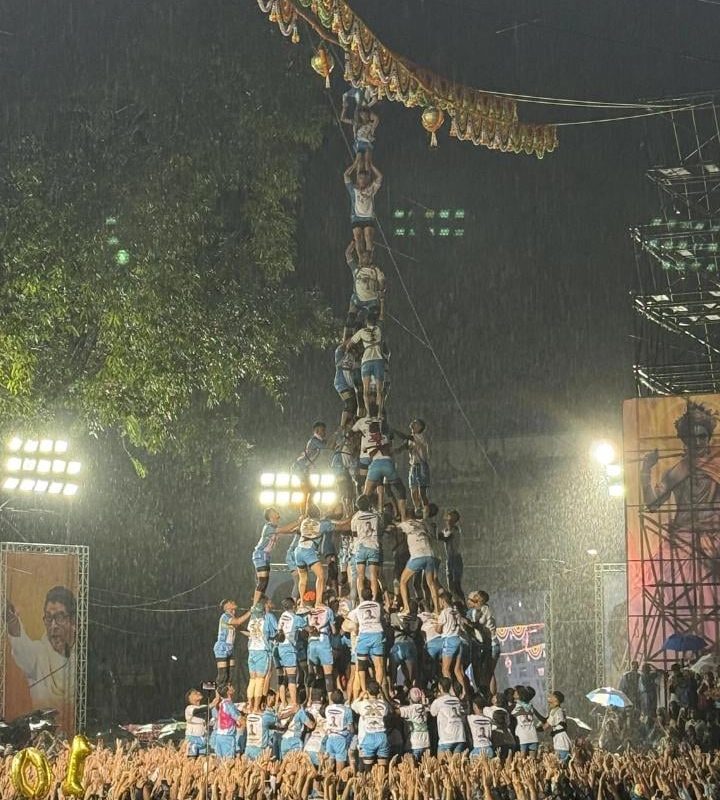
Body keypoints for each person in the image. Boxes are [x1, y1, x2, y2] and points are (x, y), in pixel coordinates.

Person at [6, 586, 77, 712]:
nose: (53, 626)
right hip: (43, 730)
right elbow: (22, 646)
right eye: (49, 618)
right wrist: (13, 623)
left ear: (73, 621)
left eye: (60, 618)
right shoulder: (37, 655)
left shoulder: (84, 660)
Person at [295, 515, 350, 606]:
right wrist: (353, 519)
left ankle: (301, 603)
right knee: (321, 576)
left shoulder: (304, 521)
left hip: (298, 550)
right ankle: (318, 602)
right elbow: (343, 525)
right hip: (308, 550)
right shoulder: (322, 524)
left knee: (302, 578)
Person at [252, 509, 300, 605]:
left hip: (265, 556)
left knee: (264, 582)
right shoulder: (268, 527)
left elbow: (288, 531)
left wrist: (298, 528)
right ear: (271, 516)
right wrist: (298, 521)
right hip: (260, 554)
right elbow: (285, 529)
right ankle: (254, 605)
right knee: (262, 581)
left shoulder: (274, 528)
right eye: (275, 511)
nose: (278, 512)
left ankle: (259, 603)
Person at [398, 508, 441, 614]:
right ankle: (437, 609)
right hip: (430, 555)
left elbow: (396, 526)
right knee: (431, 583)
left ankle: (407, 608)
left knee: (403, 581)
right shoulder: (422, 523)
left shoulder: (406, 523)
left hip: (418, 556)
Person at [345, 586, 386, 693]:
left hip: (364, 636)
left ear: (361, 597)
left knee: (362, 666)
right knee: (379, 665)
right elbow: (382, 618)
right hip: (377, 634)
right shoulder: (378, 605)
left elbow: (349, 622)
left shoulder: (358, 609)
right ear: (372, 595)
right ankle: (377, 689)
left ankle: (364, 690)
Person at [241, 597, 278, 711]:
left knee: (252, 679)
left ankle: (250, 705)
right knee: (261, 679)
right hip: (263, 651)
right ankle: (257, 707)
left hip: (252, 651)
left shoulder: (252, 620)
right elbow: (274, 633)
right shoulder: (266, 619)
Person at [344, 240, 386, 338]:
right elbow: (347, 254)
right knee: (350, 319)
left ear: (370, 258)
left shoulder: (375, 270)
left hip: (372, 301)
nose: (365, 259)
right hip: (358, 300)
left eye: (367, 257)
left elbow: (382, 281)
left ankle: (370, 339)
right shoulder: (356, 269)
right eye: (363, 257)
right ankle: (345, 340)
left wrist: (381, 290)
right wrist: (353, 243)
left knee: (371, 322)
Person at [344, 154, 383, 254]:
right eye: (360, 178)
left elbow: (380, 177)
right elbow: (346, 175)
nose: (362, 180)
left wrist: (371, 166)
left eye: (364, 178)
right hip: (356, 217)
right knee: (358, 237)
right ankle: (361, 259)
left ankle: (369, 259)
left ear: (367, 180)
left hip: (368, 217)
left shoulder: (371, 189)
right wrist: (355, 164)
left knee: (368, 236)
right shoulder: (353, 189)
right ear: (358, 180)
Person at [346, 311, 385, 413]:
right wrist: (381, 301)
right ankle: (379, 413)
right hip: (378, 360)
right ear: (375, 321)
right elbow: (381, 317)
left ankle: (368, 413)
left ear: (366, 321)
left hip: (366, 361)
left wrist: (349, 350)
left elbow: (349, 344)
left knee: (365, 391)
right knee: (379, 391)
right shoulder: (378, 329)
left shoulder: (362, 331)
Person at [274, 597, 307, 708]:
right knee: (292, 677)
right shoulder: (296, 618)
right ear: (293, 606)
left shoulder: (282, 616)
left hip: (279, 647)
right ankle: (293, 703)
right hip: (288, 648)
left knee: (284, 676)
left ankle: (283, 702)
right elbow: (308, 629)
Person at [352, 681, 391, 772]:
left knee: (367, 767)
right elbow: (388, 708)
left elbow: (353, 706)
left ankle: (369, 782)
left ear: (367, 691)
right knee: (383, 768)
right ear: (379, 691)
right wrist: (382, 695)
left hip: (368, 736)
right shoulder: (383, 704)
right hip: (382, 736)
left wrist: (361, 696)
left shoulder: (362, 704)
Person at [351, 494, 384, 600]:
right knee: (374, 576)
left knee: (360, 576)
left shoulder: (355, 517)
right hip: (373, 547)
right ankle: (373, 599)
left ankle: (361, 601)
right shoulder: (375, 516)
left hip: (360, 548)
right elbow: (380, 530)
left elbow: (354, 534)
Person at [212, 599, 250, 687]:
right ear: (227, 606)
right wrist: (250, 612)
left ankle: (226, 695)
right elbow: (238, 621)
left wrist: (254, 635)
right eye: (231, 602)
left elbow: (240, 628)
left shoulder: (232, 618)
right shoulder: (225, 616)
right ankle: (218, 696)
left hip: (230, 648)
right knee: (222, 676)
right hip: (222, 648)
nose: (233, 602)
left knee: (230, 675)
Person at [292, 421, 328, 511]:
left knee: (309, 491)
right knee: (307, 491)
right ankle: (305, 512)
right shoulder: (314, 441)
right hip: (300, 468)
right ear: (316, 431)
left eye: (324, 430)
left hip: (303, 468)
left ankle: (306, 511)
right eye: (322, 430)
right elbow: (327, 447)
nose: (324, 432)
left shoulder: (318, 441)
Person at [430, 677, 466, 754]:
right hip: (460, 736)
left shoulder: (438, 701)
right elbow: (462, 712)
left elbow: (432, 713)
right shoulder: (457, 700)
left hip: (446, 739)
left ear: (439, 686)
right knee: (457, 764)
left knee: (442, 764)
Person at [341, 103, 380, 170]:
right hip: (359, 142)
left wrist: (368, 110)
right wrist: (344, 108)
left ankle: (367, 176)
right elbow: (343, 119)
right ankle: (350, 173)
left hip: (367, 143)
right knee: (358, 161)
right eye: (362, 115)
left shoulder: (371, 125)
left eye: (366, 115)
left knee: (367, 162)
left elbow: (376, 118)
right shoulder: (357, 123)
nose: (365, 116)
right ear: (360, 115)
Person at [323, 689, 354, 770]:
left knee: (329, 769)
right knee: (339, 771)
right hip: (341, 739)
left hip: (330, 738)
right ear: (342, 698)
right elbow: (351, 728)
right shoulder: (347, 710)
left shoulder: (327, 708)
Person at [184, 688, 219, 757]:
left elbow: (215, 702)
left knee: (201, 759)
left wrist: (217, 690)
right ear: (189, 698)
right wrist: (210, 705)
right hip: (192, 739)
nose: (198, 693)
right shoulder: (189, 708)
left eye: (198, 692)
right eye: (194, 693)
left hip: (203, 739)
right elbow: (197, 711)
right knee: (191, 759)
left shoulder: (204, 707)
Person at [397, 687, 430, 760]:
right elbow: (425, 707)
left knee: (413, 769)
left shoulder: (408, 709)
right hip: (426, 744)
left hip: (413, 745)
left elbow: (395, 712)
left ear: (409, 696)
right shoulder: (425, 708)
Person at [439, 509, 463, 599]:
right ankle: (456, 603)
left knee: (456, 585)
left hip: (455, 558)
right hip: (449, 559)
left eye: (451, 520)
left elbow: (446, 538)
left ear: (455, 521)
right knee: (450, 586)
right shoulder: (444, 530)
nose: (448, 522)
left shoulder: (455, 530)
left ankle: (462, 604)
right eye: (447, 519)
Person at [214, 683, 242, 759]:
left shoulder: (222, 703)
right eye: (230, 686)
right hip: (228, 737)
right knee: (228, 761)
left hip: (219, 736)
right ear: (228, 691)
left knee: (219, 761)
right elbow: (236, 717)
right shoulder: (229, 704)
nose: (233, 687)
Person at [543, 690, 571, 763]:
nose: (549, 698)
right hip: (562, 743)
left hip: (561, 743)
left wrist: (532, 730)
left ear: (556, 699)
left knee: (560, 766)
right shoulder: (559, 710)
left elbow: (546, 726)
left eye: (551, 696)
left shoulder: (555, 711)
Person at [512, 685, 539, 757]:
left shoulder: (517, 706)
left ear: (519, 695)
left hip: (522, 737)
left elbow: (512, 714)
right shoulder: (530, 706)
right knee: (532, 761)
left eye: (515, 692)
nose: (513, 694)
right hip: (533, 736)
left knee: (522, 761)